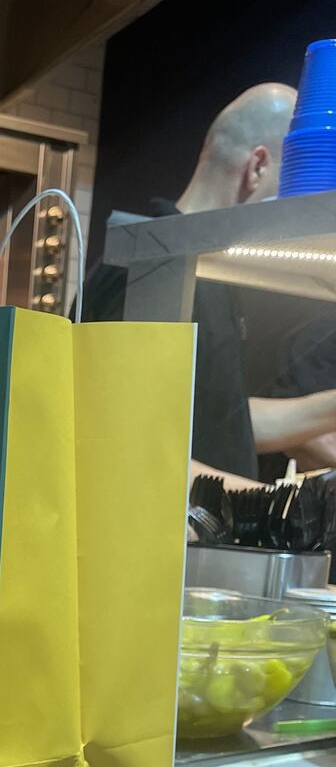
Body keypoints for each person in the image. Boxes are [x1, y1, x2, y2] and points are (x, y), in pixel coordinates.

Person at [83, 83, 336, 485]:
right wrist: (273, 505)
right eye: (292, 182)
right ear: (257, 167)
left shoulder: (206, 271)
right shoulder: (148, 272)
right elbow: (128, 446)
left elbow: (220, 420)